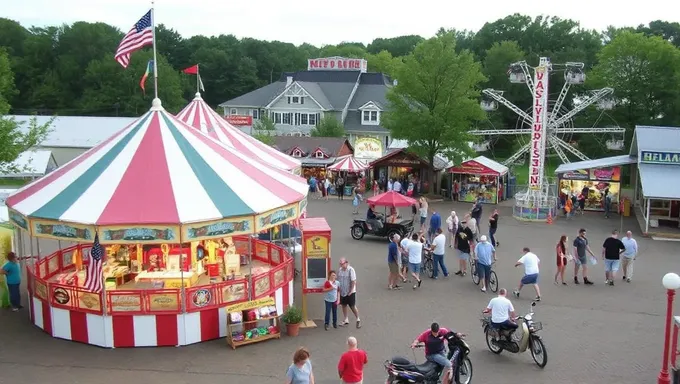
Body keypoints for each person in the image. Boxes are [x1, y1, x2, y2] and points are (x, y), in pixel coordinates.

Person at [338, 258, 361, 328]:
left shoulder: (351, 270)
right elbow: (339, 279)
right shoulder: (340, 270)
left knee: (352, 306)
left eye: (343, 264)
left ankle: (358, 319)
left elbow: (353, 281)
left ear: (346, 263)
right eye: (341, 264)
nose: (342, 265)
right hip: (343, 291)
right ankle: (345, 319)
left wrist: (351, 291)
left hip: (350, 291)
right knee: (343, 305)